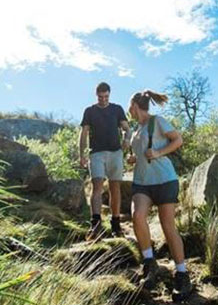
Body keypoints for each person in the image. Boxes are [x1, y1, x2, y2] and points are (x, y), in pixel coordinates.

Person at [127, 90, 192, 300]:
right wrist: (134, 159)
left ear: (135, 105)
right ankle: (149, 263)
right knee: (137, 216)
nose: (129, 110)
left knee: (167, 226)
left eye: (130, 106)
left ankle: (182, 273)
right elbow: (141, 153)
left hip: (165, 180)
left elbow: (178, 140)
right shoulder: (136, 130)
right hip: (142, 183)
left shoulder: (158, 121)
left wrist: (157, 153)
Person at [79, 82, 131, 239]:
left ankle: (116, 225)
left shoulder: (117, 109)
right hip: (96, 154)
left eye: (106, 97)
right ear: (96, 95)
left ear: (110, 94)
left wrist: (127, 140)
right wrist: (82, 154)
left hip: (115, 153)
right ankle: (95, 225)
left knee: (115, 188)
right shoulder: (89, 111)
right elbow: (83, 134)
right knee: (97, 187)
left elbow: (127, 129)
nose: (103, 100)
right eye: (100, 97)